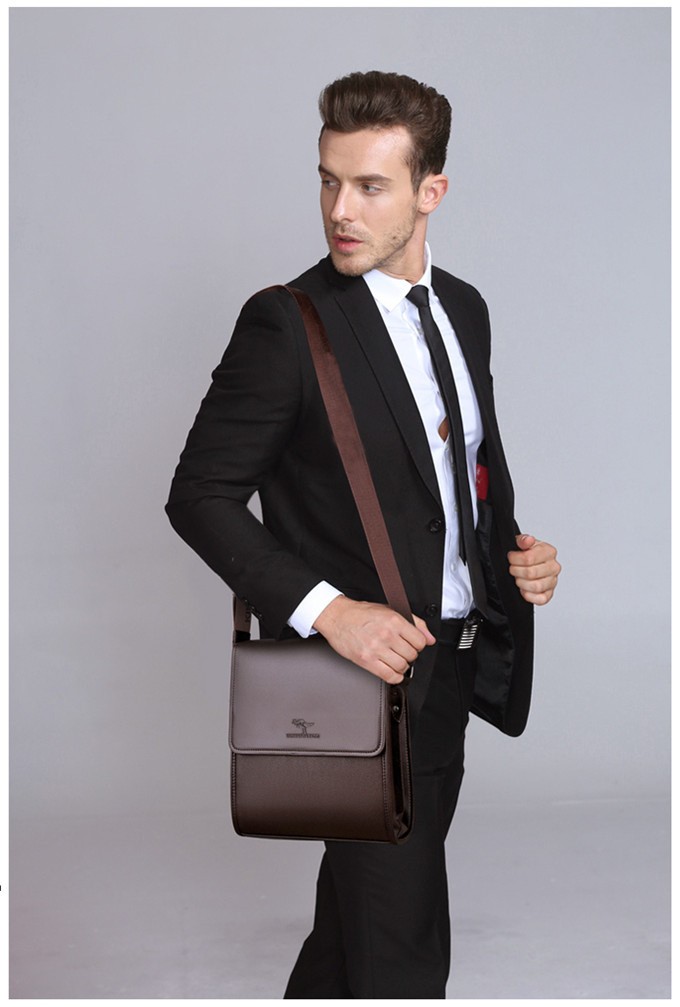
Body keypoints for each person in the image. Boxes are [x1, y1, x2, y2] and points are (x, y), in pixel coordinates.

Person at [166, 70, 561, 999]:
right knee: (402, 955)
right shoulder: (286, 322)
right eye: (327, 180)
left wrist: (515, 553)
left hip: (451, 669)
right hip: (358, 684)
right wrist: (330, 612)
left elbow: (458, 474)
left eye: (370, 186)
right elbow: (199, 495)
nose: (339, 210)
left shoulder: (464, 309)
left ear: (432, 191)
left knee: (356, 938)